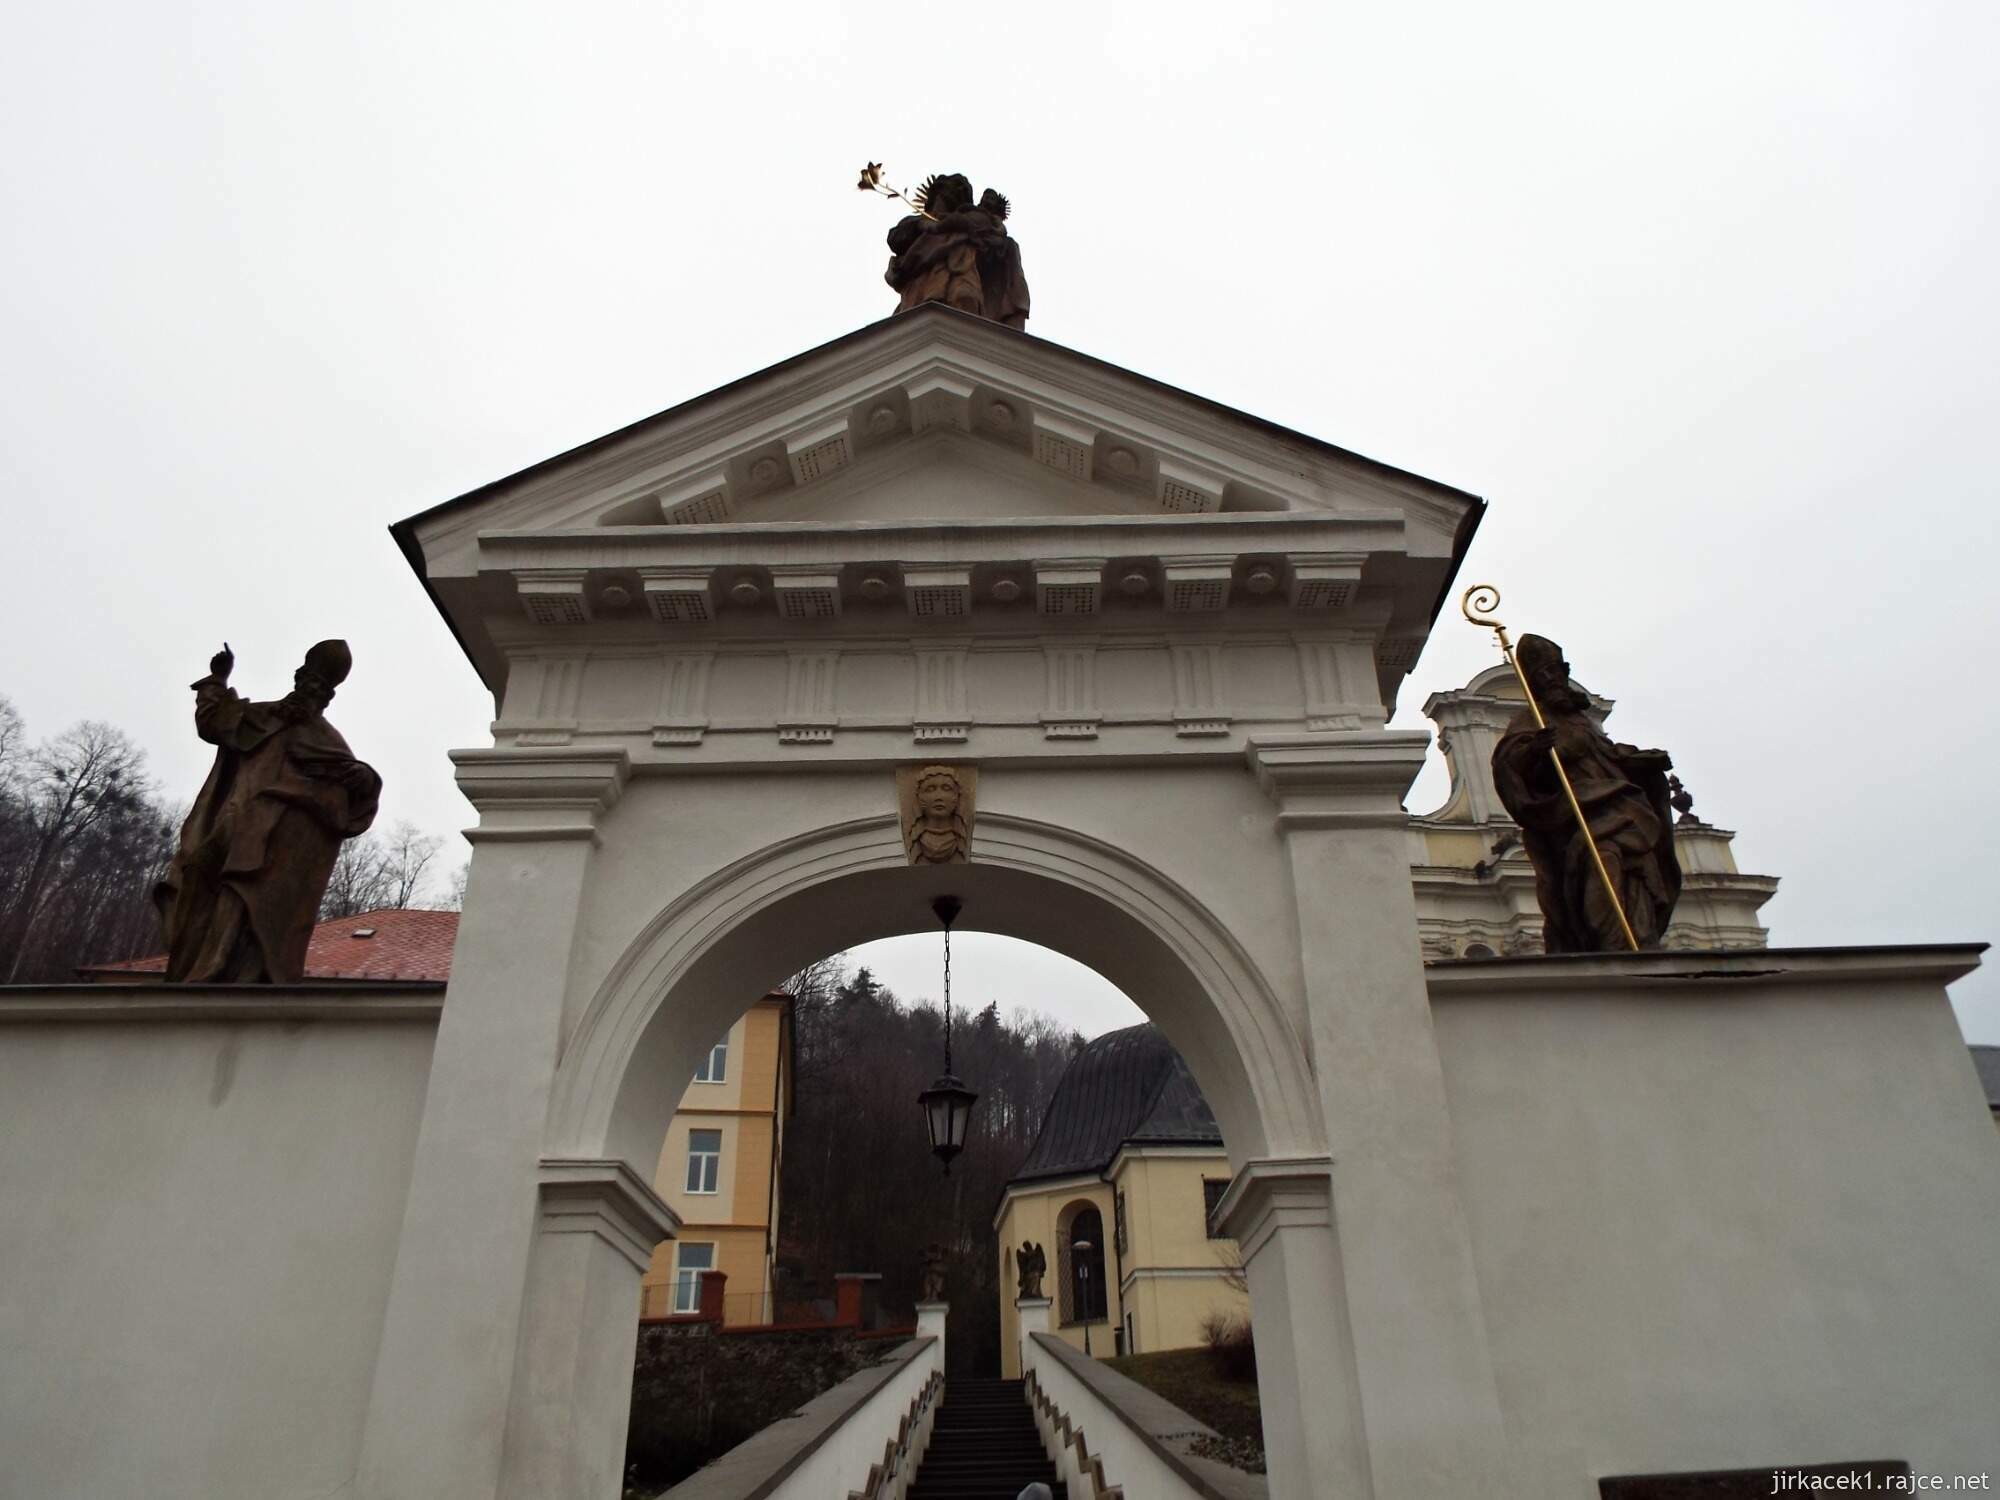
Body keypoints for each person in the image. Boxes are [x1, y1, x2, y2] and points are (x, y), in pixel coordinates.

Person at [157, 639, 381, 982]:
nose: (310, 694)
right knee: (200, 877)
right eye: (308, 684)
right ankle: (190, 970)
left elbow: (350, 795)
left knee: (243, 900)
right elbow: (212, 724)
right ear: (297, 679)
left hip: (269, 842)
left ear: (326, 698)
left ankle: (224, 972)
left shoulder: (325, 738)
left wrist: (365, 779)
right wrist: (216, 681)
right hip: (231, 822)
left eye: (318, 690)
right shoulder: (259, 716)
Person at [1490, 635, 1680, 951]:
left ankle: (1639, 938)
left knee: (1641, 877)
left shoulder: (1580, 720)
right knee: (1601, 862)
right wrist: (1539, 752)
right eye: (1542, 677)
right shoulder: (1529, 721)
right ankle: (1611, 943)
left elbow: (1608, 755)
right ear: (1532, 683)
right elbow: (1511, 766)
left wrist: (1640, 761)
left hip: (1623, 806)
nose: (1551, 680)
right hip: (1578, 814)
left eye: (1555, 672)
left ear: (1565, 671)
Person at [885, 173, 1031, 329]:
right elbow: (895, 239)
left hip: (962, 273)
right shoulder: (916, 223)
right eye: (949, 190)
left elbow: (992, 241)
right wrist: (922, 225)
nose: (951, 194)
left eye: (957, 192)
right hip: (921, 284)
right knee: (921, 317)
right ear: (935, 195)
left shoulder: (964, 226)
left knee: (966, 301)